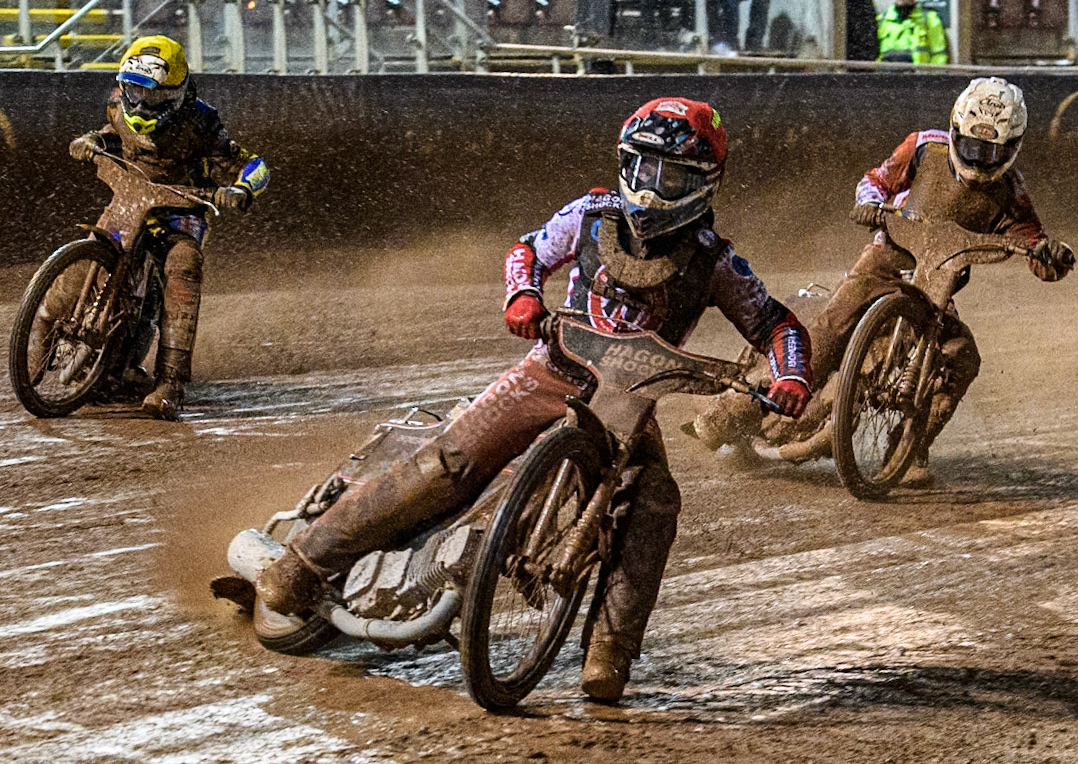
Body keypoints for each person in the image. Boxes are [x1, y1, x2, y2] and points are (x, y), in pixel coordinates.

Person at [255, 97, 813, 702]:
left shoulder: (716, 261)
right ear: (626, 163)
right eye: (644, 169)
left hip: (629, 401)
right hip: (548, 370)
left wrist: (791, 377)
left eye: (670, 177)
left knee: (652, 505)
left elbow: (778, 324)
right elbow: (527, 250)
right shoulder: (590, 214)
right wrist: (521, 296)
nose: (652, 191)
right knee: (447, 459)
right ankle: (301, 567)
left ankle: (609, 655)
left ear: (704, 183)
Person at [692, 77, 1074, 486]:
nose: (980, 162)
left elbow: (1036, 249)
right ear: (955, 129)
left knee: (962, 357)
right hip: (882, 263)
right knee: (819, 345)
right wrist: (869, 204)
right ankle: (725, 417)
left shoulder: (1013, 192)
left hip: (937, 285)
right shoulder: (926, 146)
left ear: (1013, 148)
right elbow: (876, 179)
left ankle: (908, 448)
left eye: (992, 152)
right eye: (973, 148)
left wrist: (1052, 255)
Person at [66, 35, 270, 420]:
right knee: (83, 258)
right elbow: (114, 133)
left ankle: (170, 384)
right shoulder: (116, 102)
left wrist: (241, 188)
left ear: (177, 94)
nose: (141, 103)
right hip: (130, 198)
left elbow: (254, 164)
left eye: (155, 98)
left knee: (183, 264)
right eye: (135, 91)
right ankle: (55, 352)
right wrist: (91, 139)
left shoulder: (203, 121)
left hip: (181, 210)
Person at [878, 0, 948, 64]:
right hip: (887, 74)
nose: (905, 0)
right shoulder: (882, 20)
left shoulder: (929, 18)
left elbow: (939, 54)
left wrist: (933, 76)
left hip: (917, 74)